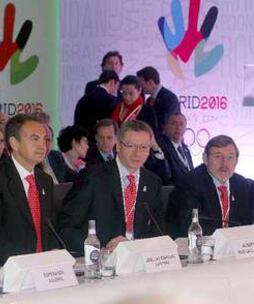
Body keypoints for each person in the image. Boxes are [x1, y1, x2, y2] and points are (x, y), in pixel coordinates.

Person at [57, 120, 163, 254]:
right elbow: (65, 228)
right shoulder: (93, 177)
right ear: (118, 146)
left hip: (139, 260)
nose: (138, 153)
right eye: (131, 146)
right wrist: (100, 248)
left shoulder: (153, 182)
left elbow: (158, 230)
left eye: (144, 147)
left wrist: (138, 248)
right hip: (102, 259)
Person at [0, 114, 58, 265]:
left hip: (44, 270)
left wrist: (53, 252)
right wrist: (28, 261)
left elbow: (50, 230)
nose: (43, 146)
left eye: (44, 139)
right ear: (14, 143)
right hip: (11, 267)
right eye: (35, 139)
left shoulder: (45, 180)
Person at [166, 135, 254, 238]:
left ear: (236, 161)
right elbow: (193, 226)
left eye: (230, 157)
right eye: (218, 156)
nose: (224, 163)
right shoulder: (189, 184)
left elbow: (248, 222)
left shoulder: (243, 185)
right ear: (205, 159)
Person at [74, 71, 120, 145]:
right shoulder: (111, 101)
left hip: (81, 144)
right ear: (112, 82)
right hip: (101, 144)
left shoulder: (82, 100)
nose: (116, 91)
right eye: (117, 87)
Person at [136, 66, 180, 137]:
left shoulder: (169, 98)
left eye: (141, 84)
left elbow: (166, 124)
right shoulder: (149, 100)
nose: (140, 88)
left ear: (150, 83)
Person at [159, 112, 193, 184]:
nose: (178, 127)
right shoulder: (161, 146)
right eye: (173, 123)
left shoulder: (186, 149)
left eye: (181, 124)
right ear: (165, 126)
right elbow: (165, 175)